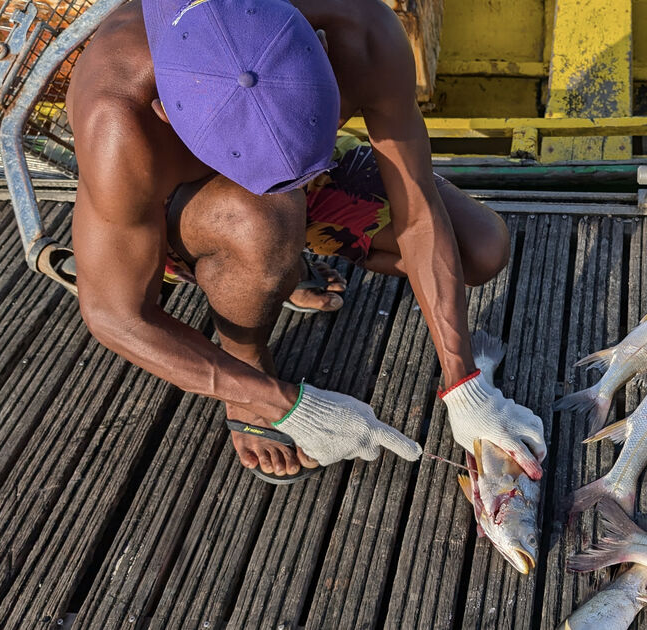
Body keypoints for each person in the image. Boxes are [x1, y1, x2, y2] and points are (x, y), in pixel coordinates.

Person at [65, 0, 547, 483]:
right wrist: (285, 404)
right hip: (180, 218)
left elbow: (418, 212)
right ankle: (248, 364)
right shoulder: (119, 116)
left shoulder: (359, 28)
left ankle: (280, 261)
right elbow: (114, 314)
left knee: (479, 249)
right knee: (261, 220)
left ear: (318, 45)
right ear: (166, 112)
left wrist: (465, 386)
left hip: (296, 180)